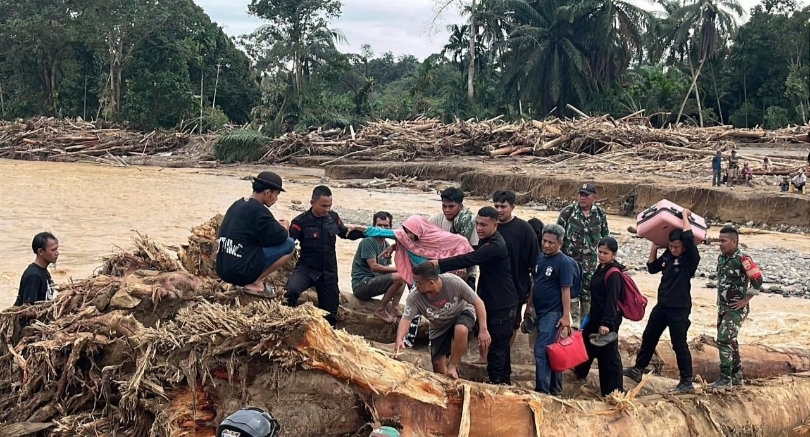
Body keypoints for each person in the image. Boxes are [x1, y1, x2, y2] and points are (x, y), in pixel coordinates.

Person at [432, 207, 517, 385]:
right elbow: (469, 249)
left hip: (502, 303)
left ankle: (497, 384)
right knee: (500, 346)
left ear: (495, 225)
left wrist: (438, 264)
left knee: (497, 347)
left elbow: (469, 259)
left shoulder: (495, 245)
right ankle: (504, 381)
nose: (479, 228)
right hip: (494, 300)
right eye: (477, 224)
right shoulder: (487, 242)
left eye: (484, 225)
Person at [357, 215, 474, 344]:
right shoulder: (405, 238)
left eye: (411, 232)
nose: (408, 235)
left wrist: (462, 264)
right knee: (414, 306)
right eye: (406, 232)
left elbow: (462, 243)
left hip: (438, 279)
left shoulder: (436, 238)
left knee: (440, 309)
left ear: (419, 230)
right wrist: (356, 227)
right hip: (419, 279)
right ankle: (408, 340)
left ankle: (436, 340)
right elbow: (380, 232)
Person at [624, 209, 700, 393]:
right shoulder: (668, 255)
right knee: (649, 336)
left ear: (683, 248)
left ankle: (686, 381)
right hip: (663, 305)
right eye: (671, 246)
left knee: (679, 343)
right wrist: (655, 248)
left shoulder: (690, 259)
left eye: (677, 247)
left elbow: (689, 238)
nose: (674, 250)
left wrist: (684, 217)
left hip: (679, 308)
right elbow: (652, 269)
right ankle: (638, 369)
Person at [285, 185, 363, 327]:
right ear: (312, 203)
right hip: (306, 269)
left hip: (328, 272)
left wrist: (367, 232)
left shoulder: (333, 217)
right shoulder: (300, 222)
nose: (327, 209)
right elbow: (287, 243)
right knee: (290, 291)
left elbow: (345, 234)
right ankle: (285, 322)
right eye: (323, 206)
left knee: (331, 314)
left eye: (329, 205)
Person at [395, 262, 490, 379]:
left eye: (419, 283)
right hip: (439, 324)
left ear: (431, 283)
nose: (415, 285)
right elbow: (406, 319)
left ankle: (453, 365)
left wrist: (483, 329)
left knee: (461, 329)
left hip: (461, 312)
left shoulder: (454, 282)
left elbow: (478, 302)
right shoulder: (414, 297)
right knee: (438, 366)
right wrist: (399, 339)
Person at [216, 171, 295, 296]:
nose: (276, 199)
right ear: (267, 193)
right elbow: (281, 236)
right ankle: (255, 282)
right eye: (276, 194)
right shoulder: (259, 211)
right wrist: (285, 226)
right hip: (240, 272)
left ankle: (247, 279)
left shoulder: (237, 204)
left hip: (222, 269)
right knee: (290, 245)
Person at [709, 227, 763, 390]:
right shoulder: (722, 258)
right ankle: (737, 378)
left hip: (736, 309)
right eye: (719, 240)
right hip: (724, 306)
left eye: (724, 241)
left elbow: (757, 280)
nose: (720, 244)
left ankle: (725, 379)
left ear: (734, 241)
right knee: (731, 341)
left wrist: (746, 300)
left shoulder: (743, 259)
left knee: (723, 339)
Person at [525, 224, 574, 395]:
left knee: (543, 350)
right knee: (551, 350)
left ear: (560, 243)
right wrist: (529, 305)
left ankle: (542, 389)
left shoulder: (564, 262)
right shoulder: (540, 258)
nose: (546, 245)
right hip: (539, 310)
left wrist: (566, 315)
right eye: (544, 241)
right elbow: (535, 283)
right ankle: (554, 388)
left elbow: (565, 289)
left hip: (553, 313)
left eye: (551, 243)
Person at [573, 237, 625, 397]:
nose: (602, 255)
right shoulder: (601, 267)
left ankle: (614, 392)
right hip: (596, 316)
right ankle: (580, 372)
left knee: (608, 356)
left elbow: (612, 300)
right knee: (586, 344)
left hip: (607, 319)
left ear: (614, 255)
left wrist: (607, 324)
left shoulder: (614, 274)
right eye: (600, 252)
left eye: (606, 253)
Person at [557, 183, 610, 327]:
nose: (582, 198)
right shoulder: (568, 212)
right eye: (581, 194)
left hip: (591, 264)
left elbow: (605, 238)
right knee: (572, 292)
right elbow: (558, 237)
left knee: (587, 295)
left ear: (594, 197)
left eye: (586, 195)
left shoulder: (600, 214)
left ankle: (585, 325)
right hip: (570, 263)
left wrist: (607, 261)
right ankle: (573, 324)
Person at [491, 190, 539, 348]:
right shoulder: (490, 226)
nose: (499, 210)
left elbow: (535, 265)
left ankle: (505, 354)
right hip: (490, 285)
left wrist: (530, 302)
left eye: (503, 206)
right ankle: (486, 356)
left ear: (512, 207)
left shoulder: (525, 230)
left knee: (511, 325)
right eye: (496, 206)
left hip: (516, 287)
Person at [351, 211, 407, 323]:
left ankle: (394, 308)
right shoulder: (368, 241)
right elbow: (374, 267)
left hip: (374, 282)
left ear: (390, 228)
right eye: (379, 225)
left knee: (404, 276)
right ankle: (380, 310)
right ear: (373, 227)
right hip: (362, 284)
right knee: (401, 275)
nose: (382, 228)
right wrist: (401, 270)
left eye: (385, 226)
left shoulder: (386, 244)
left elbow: (384, 270)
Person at [428, 187, 479, 290]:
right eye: (444, 206)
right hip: (440, 269)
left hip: (465, 271)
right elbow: (418, 236)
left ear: (460, 206)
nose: (447, 210)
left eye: (451, 206)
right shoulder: (435, 220)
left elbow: (474, 249)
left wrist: (462, 264)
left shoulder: (471, 222)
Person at [14, 232, 59, 306]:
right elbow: (26, 309)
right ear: (40, 251)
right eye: (53, 250)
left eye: (57, 249)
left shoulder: (43, 271)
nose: (57, 253)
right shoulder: (34, 276)